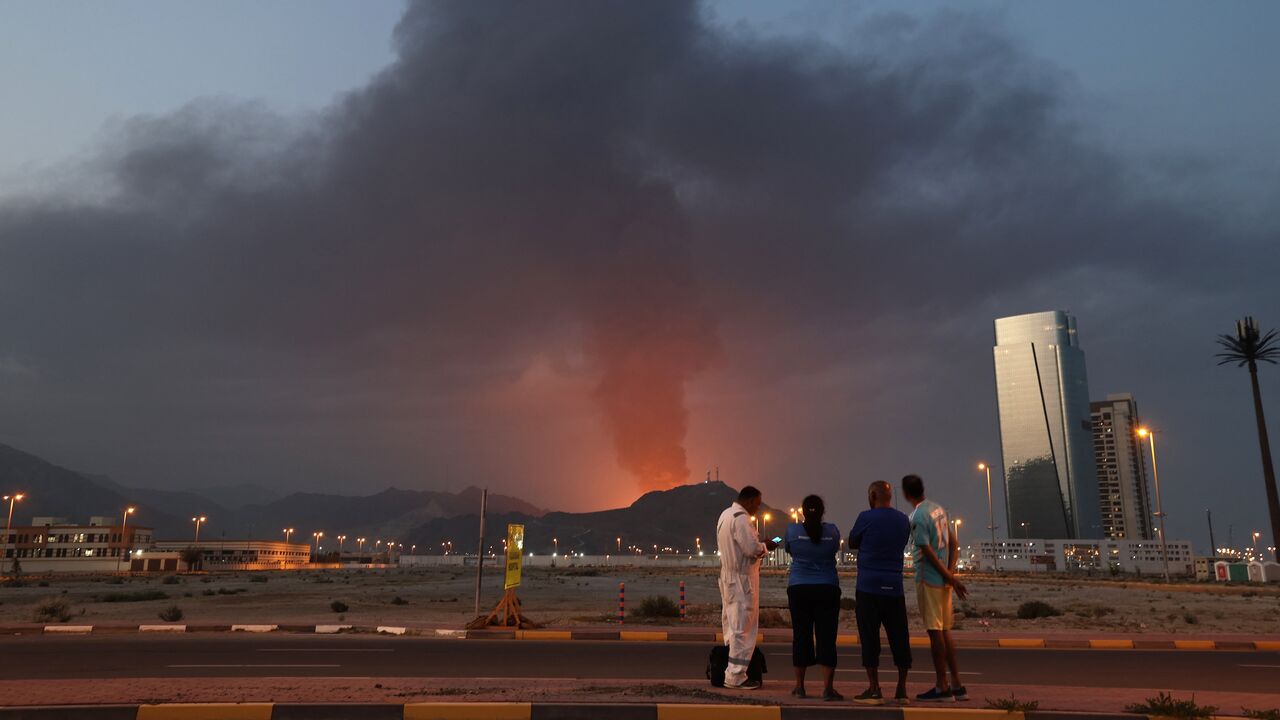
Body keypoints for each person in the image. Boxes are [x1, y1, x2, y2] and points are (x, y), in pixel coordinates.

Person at [902, 474, 968, 702]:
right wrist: (950, 575)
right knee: (945, 631)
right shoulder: (938, 509)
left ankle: (942, 686)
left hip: (928, 580)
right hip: (943, 582)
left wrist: (948, 577)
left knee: (935, 633)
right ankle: (957, 683)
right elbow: (955, 543)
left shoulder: (918, 516)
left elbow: (927, 552)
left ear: (905, 494)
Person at [846, 481, 912, 705]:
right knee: (900, 637)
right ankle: (902, 689)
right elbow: (903, 541)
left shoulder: (866, 517)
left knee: (869, 638)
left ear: (873, 495)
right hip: (894, 587)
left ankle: (874, 689)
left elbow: (852, 542)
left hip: (868, 587)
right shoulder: (903, 519)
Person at [716, 485, 778, 690]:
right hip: (742, 581)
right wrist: (767, 546)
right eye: (757, 505)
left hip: (728, 578)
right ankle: (736, 676)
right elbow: (751, 549)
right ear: (750, 501)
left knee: (732, 627)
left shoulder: (725, 515)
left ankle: (731, 670)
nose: (757, 509)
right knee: (743, 628)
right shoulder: (741, 519)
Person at [784, 494, 842, 701]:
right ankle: (827, 689)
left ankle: (799, 687)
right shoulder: (832, 531)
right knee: (827, 637)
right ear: (822, 511)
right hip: (827, 588)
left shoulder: (792, 531)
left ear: (802, 511)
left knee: (801, 635)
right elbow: (835, 548)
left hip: (799, 588)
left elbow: (786, 547)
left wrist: (771, 540)